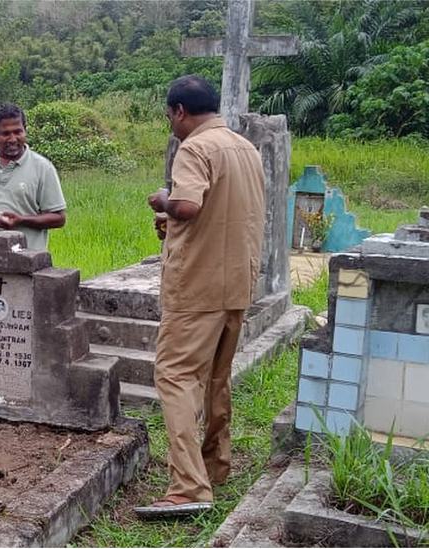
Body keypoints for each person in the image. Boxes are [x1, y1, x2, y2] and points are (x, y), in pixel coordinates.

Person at [134, 75, 266, 518]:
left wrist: (164, 200)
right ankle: (214, 465)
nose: (171, 123)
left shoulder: (194, 147)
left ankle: (189, 488)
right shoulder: (244, 147)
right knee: (216, 377)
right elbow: (223, 214)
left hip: (197, 288)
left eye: (169, 116)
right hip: (236, 283)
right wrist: (175, 226)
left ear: (178, 112)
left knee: (174, 376)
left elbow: (189, 205)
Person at [0, 103, 67, 252]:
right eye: (5, 133)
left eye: (18, 132)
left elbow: (59, 218)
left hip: (27, 264)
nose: (13, 139)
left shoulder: (43, 168)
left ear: (25, 130)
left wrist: (21, 220)